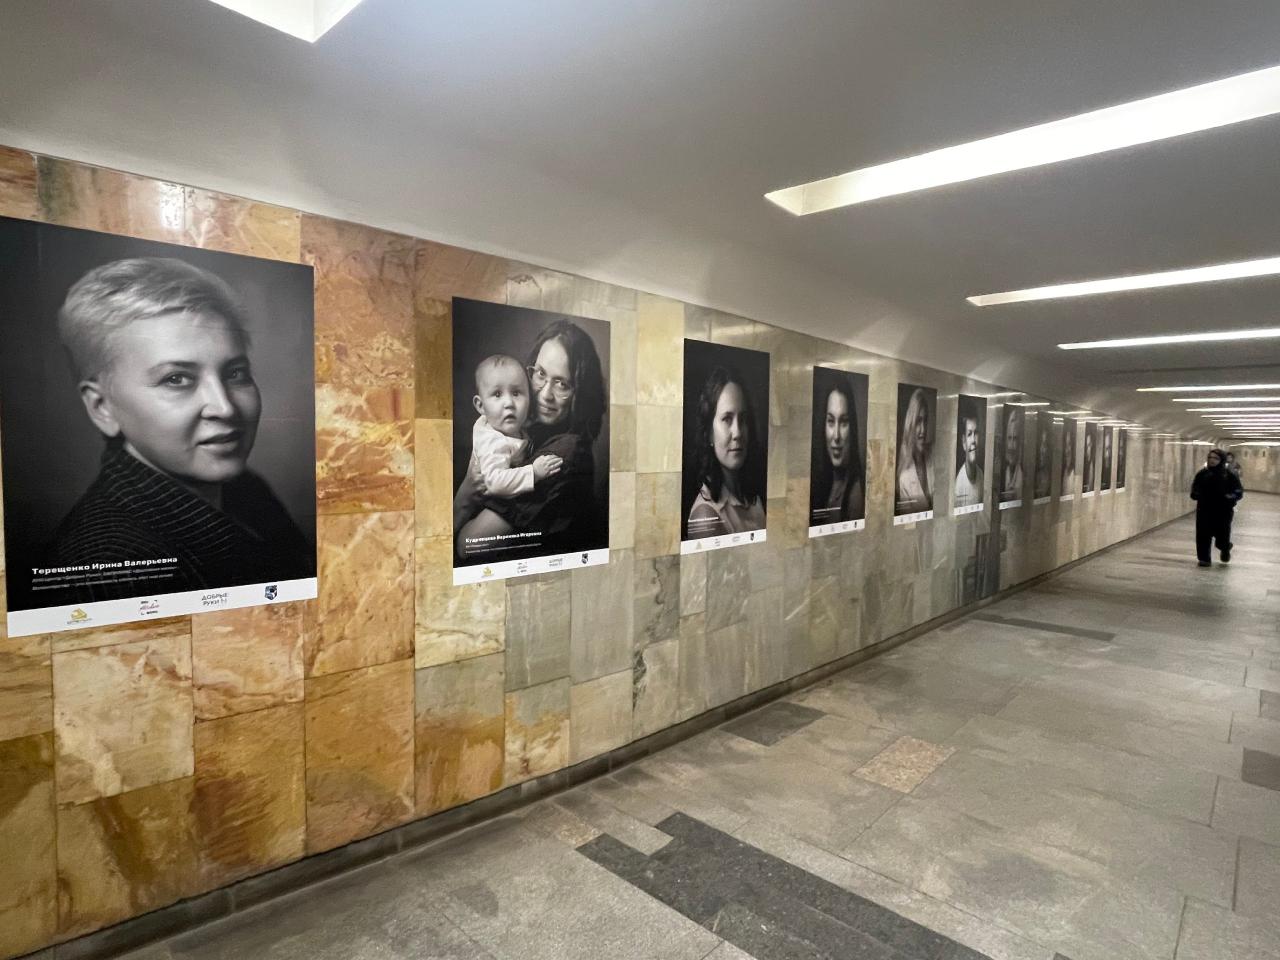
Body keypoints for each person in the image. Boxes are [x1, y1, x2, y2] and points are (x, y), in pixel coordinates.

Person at [45, 257, 314, 602]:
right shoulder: (109, 562)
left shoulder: (247, 489)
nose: (225, 407)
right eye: (176, 379)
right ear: (102, 407)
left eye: (235, 373)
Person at [454, 318, 606, 559]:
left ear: (581, 393)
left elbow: (468, 545)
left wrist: (465, 496)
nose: (545, 394)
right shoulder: (525, 431)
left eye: (562, 384)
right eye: (541, 374)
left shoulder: (564, 452)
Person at [466, 354, 562, 497]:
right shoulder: (492, 441)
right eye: (497, 394)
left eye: (516, 393)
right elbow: (495, 483)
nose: (509, 403)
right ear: (481, 405)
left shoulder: (510, 425)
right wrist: (534, 472)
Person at [687, 366, 766, 536]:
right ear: (709, 433)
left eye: (743, 419)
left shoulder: (753, 499)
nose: (738, 433)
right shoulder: (705, 516)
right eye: (727, 419)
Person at [812, 379, 865, 522]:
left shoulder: (855, 496)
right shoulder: (823, 483)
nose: (836, 436)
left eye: (843, 422)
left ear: (852, 428)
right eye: (830, 421)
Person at [1190, 448, 1243, 566]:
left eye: (1216, 458)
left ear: (1222, 460)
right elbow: (1195, 488)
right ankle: (1204, 558)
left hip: (1223, 511)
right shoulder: (1202, 474)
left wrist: (1230, 497)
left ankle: (1225, 547)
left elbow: (1238, 491)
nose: (1212, 460)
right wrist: (1196, 494)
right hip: (1204, 509)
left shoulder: (1229, 475)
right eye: (1210, 457)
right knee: (1203, 534)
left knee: (1222, 535)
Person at [896, 387, 933, 513]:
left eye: (925, 421)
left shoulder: (933, 455)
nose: (923, 430)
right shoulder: (904, 478)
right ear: (910, 424)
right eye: (918, 421)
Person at [953, 409, 984, 507]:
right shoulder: (958, 487)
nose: (973, 440)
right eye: (969, 434)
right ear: (964, 442)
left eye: (976, 433)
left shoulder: (981, 475)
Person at [1001, 408, 1024, 500]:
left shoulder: (1023, 472)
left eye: (1015, 439)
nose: (1011, 446)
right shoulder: (1002, 472)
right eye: (1009, 438)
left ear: (1020, 442)